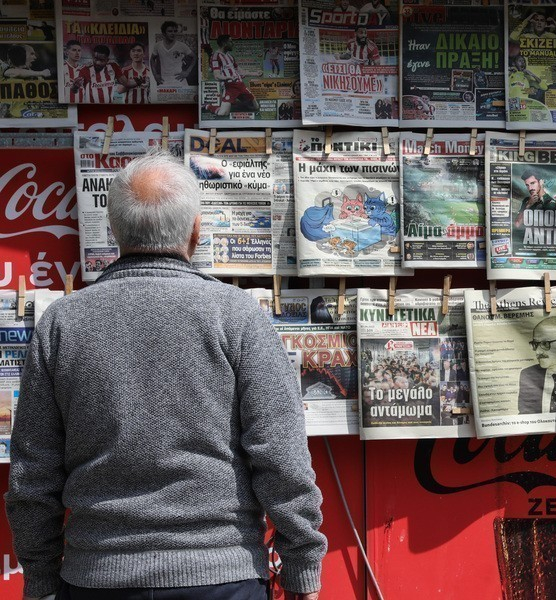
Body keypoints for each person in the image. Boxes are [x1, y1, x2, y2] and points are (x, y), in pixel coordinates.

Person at [6, 153, 326, 599]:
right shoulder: (236, 317)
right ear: (196, 229)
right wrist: (301, 567)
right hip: (222, 577)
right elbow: (282, 458)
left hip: (97, 577)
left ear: (114, 231)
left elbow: (32, 474)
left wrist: (39, 578)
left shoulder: (62, 324)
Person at [517, 317, 556, 414]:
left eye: (545, 343)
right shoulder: (528, 375)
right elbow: (524, 415)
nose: (538, 351)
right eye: (535, 344)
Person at [205, 35, 260, 116]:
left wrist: (255, 73)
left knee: (255, 107)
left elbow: (240, 71)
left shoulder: (229, 56)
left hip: (241, 85)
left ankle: (233, 102)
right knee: (223, 113)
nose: (232, 43)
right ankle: (208, 106)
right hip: (230, 86)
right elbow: (217, 76)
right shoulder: (216, 56)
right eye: (230, 41)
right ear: (224, 43)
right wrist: (229, 77)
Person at [151, 21, 195, 87]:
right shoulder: (158, 45)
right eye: (170, 31)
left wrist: (187, 71)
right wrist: (155, 74)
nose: (173, 33)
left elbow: (194, 57)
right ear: (164, 33)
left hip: (180, 81)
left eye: (175, 31)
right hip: (164, 81)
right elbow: (152, 59)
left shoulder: (182, 45)